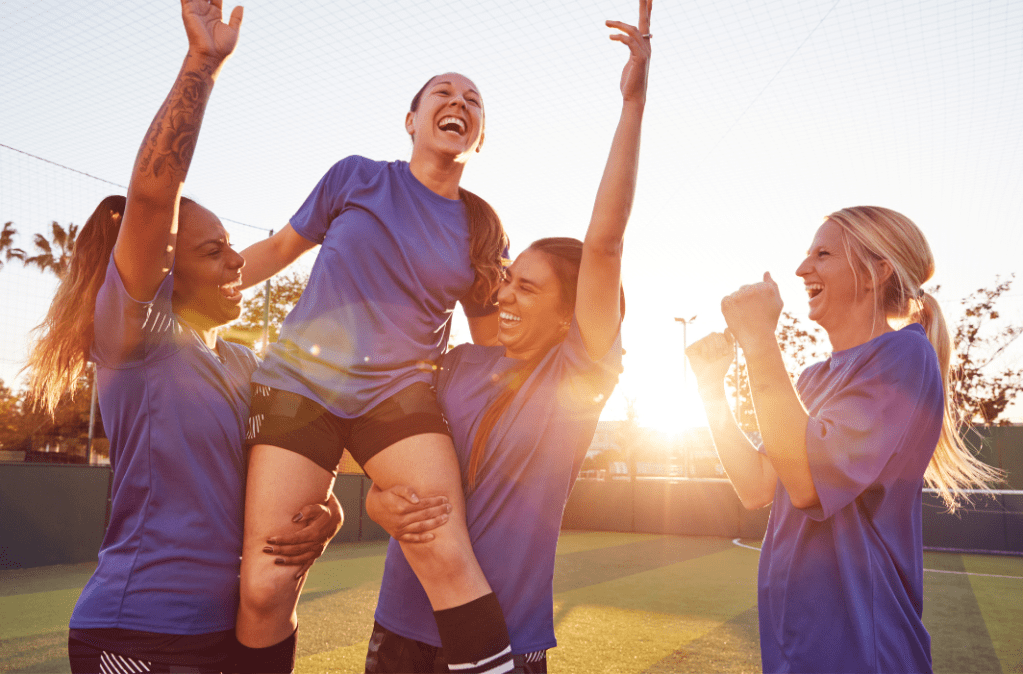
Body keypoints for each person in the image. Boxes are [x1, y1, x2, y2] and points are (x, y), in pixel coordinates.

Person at [25, 3, 341, 672]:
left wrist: (328, 510)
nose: (236, 262)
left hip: (230, 634)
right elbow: (150, 198)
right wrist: (203, 64)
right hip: (137, 633)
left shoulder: (237, 360)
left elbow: (282, 462)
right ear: (165, 270)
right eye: (216, 250)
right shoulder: (136, 342)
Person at [361, 2, 651, 671]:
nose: (505, 293)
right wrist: (379, 503)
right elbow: (381, 458)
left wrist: (632, 104)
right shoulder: (456, 364)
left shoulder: (579, 373)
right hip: (400, 627)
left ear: (569, 313)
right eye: (507, 279)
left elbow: (603, 244)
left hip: (502, 640)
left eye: (528, 286)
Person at [231, 25, 516, 674]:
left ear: (479, 137)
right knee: (265, 582)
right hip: (299, 385)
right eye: (443, 93)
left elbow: (493, 343)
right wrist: (178, 300)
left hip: (399, 397)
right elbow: (276, 253)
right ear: (412, 119)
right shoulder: (355, 177)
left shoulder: (481, 225)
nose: (459, 102)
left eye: (473, 101)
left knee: (443, 546)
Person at [685, 206, 1002, 674]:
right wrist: (711, 388)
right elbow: (756, 486)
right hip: (798, 648)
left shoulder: (904, 355)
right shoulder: (812, 379)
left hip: (862, 652)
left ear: (876, 272)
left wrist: (758, 340)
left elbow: (808, 483)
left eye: (823, 253)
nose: (801, 269)